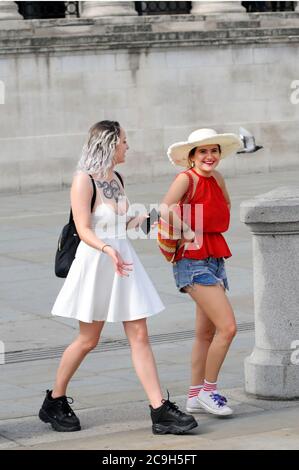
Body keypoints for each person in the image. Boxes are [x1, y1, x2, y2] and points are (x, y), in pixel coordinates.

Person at [38, 120, 197, 435]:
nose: (128, 146)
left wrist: (157, 214)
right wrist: (107, 249)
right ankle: (54, 400)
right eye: (124, 141)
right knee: (88, 340)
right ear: (110, 144)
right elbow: (83, 228)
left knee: (139, 334)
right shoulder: (83, 181)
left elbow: (122, 222)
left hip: (122, 261)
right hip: (97, 261)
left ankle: (159, 410)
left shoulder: (117, 178)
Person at [160, 128, 242, 416]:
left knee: (205, 334)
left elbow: (226, 206)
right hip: (193, 261)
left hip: (215, 258)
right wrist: (185, 229)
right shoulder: (186, 179)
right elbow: (164, 208)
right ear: (191, 156)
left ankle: (195, 396)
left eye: (214, 150)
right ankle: (210, 390)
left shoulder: (217, 178)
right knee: (228, 327)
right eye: (203, 151)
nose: (210, 156)